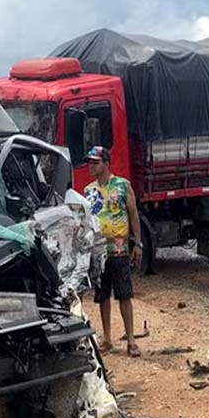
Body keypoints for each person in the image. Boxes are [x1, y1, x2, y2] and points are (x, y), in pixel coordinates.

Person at [83, 146, 144, 357]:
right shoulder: (88, 191)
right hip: (98, 251)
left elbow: (134, 215)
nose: (91, 166)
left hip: (119, 249)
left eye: (95, 162)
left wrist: (138, 244)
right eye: (89, 162)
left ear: (107, 163)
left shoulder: (123, 186)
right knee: (102, 296)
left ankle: (131, 340)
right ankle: (107, 339)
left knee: (124, 295)